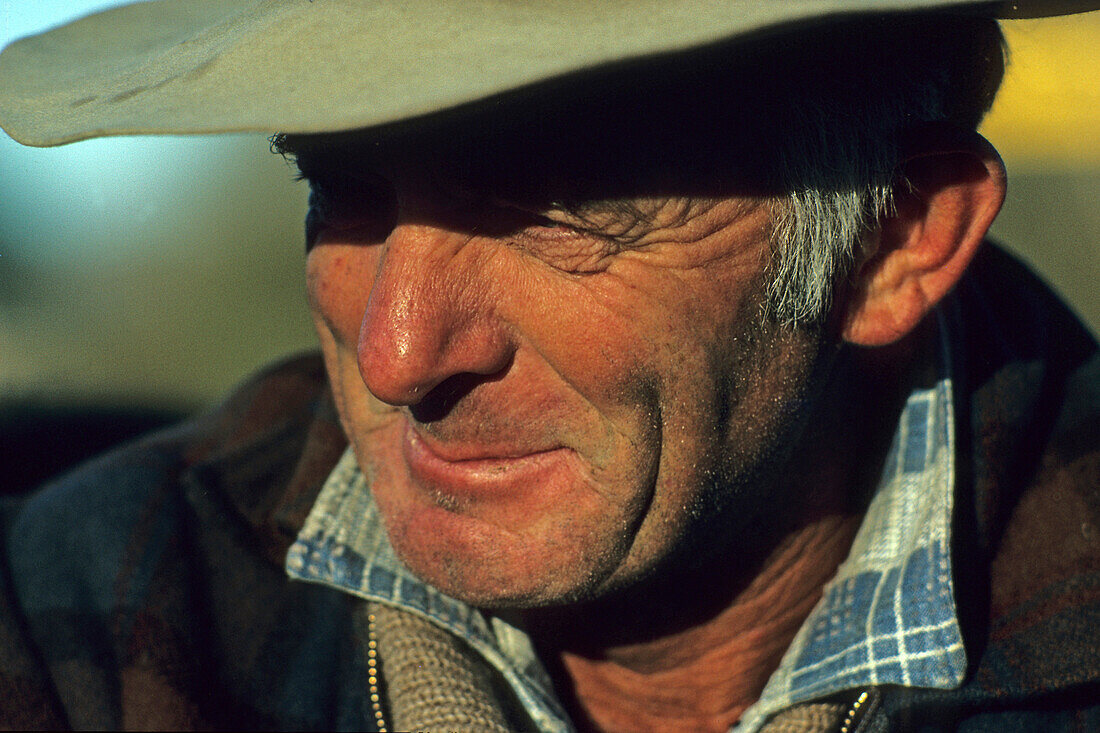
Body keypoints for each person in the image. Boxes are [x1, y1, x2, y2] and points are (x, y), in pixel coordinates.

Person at [1, 1, 1098, 730]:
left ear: (890, 241)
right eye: (342, 188)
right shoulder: (91, 621)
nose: (396, 355)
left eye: (557, 211)